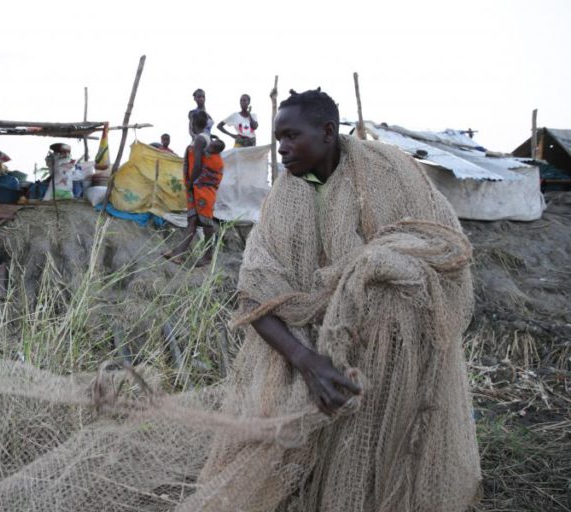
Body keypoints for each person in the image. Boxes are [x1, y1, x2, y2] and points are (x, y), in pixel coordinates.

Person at [189, 89, 481, 510]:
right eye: (278, 137)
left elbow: (443, 248)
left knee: (376, 447)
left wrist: (369, 277)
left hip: (390, 344)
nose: (283, 148)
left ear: (327, 133)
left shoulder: (389, 173)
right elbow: (254, 295)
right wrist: (308, 361)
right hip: (313, 347)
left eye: (292, 136)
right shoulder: (284, 200)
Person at [165, 111, 225, 267]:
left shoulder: (200, 139)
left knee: (206, 222)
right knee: (192, 220)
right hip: (198, 186)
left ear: (192, 123)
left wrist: (191, 182)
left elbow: (198, 164)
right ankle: (178, 253)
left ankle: (208, 256)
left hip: (201, 187)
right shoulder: (202, 139)